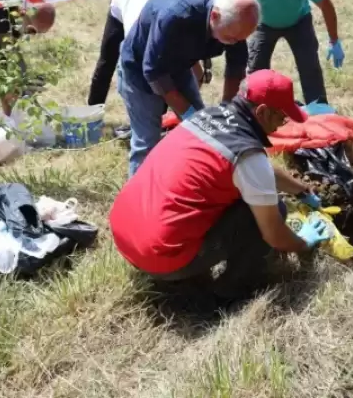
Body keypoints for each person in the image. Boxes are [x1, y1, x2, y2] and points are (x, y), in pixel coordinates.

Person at [109, 69, 331, 301]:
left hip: (126, 234)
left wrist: (301, 190)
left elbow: (260, 170)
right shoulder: (247, 157)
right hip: (160, 256)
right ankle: (227, 293)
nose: (283, 124)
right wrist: (304, 242)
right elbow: (274, 235)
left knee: (242, 192)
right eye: (282, 117)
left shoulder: (208, 117)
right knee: (272, 210)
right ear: (263, 112)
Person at [118, 0, 260, 177]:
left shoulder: (235, 21)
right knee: (147, 141)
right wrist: (191, 115)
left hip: (179, 65)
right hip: (140, 70)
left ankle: (188, 180)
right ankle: (136, 200)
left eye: (239, 39)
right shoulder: (175, 17)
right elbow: (154, 72)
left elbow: (236, 67)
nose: (235, 42)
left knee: (203, 132)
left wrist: (227, 109)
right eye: (231, 38)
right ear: (215, 16)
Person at [87, 0, 248, 106]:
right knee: (107, 61)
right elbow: (151, 70)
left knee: (171, 80)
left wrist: (185, 104)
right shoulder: (151, 32)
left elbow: (191, 67)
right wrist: (181, 108)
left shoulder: (185, 23)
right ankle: (93, 111)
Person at [239, 0, 343, 105]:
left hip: (298, 22)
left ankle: (318, 110)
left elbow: (326, 6)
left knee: (310, 67)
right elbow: (241, 15)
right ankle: (256, 107)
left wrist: (334, 40)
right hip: (264, 24)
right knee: (256, 69)